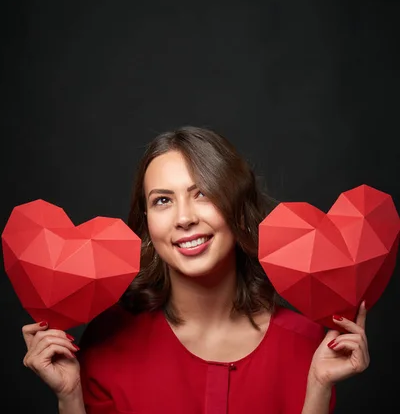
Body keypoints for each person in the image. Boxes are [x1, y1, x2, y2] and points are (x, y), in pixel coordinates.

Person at [21, 126, 370, 413]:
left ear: (237, 206)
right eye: (162, 200)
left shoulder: (307, 344)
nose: (185, 218)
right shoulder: (108, 340)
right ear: (147, 223)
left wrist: (319, 387)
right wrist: (69, 398)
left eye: (202, 193)